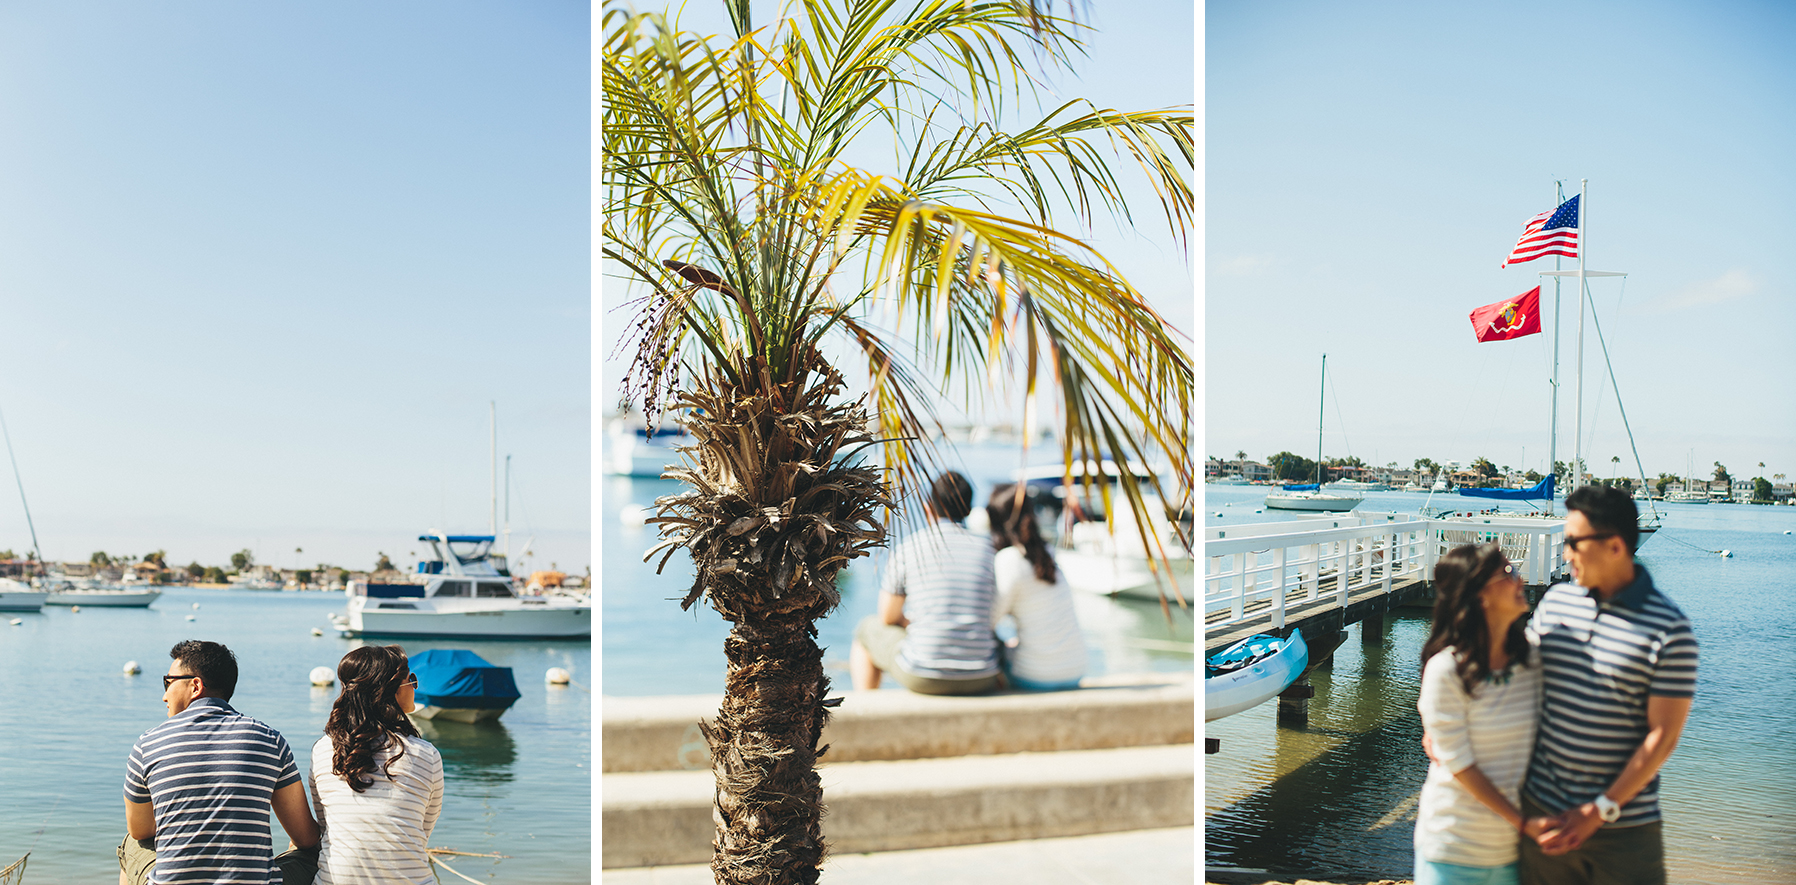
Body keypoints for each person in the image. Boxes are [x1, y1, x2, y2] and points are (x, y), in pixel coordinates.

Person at [1518, 484, 1697, 885]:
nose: (1565, 554)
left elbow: (1663, 737)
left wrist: (1598, 810)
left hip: (1624, 832)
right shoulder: (1556, 603)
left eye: (1573, 543)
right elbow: (1516, 679)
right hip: (1543, 816)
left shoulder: (1671, 630)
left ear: (1615, 546)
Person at [121, 640, 319, 885]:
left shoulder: (148, 743)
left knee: (130, 843)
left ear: (195, 686)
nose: (164, 696)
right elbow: (305, 837)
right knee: (311, 851)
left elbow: (140, 830)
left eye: (168, 682)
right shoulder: (270, 740)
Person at [1413, 543, 1542, 885]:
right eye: (1508, 572)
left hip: (1513, 853)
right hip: (1453, 849)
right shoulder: (1447, 671)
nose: (1520, 579)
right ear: (1481, 595)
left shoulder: (1533, 661)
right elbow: (1460, 765)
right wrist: (1523, 823)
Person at [850, 470, 1001, 694]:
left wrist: (916, 621)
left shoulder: (910, 547)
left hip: (923, 674)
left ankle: (867, 709)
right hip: (982, 674)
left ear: (929, 507)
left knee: (866, 630)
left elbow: (887, 617)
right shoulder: (990, 550)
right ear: (969, 509)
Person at [309, 645, 445, 885]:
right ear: (391, 689)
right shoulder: (426, 754)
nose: (415, 686)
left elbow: (325, 823)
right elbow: (421, 832)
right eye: (410, 679)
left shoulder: (323, 749)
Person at [985, 483, 1086, 691]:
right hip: (1075, 669)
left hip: (1036, 676)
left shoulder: (1009, 560)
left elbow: (990, 620)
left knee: (991, 650)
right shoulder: (1048, 553)